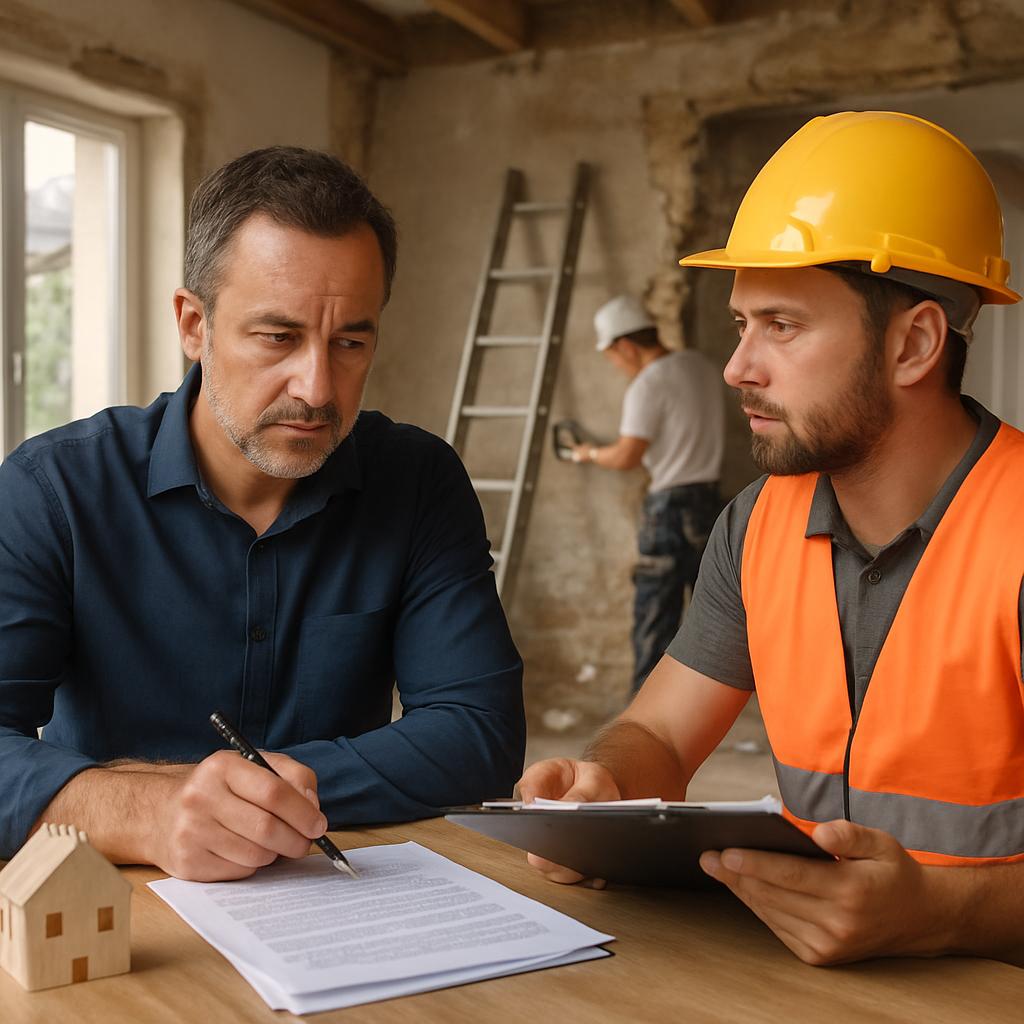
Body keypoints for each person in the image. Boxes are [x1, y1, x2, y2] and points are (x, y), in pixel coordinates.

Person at [520, 110, 1024, 966]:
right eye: (741, 324)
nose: (738, 366)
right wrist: (604, 786)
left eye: (782, 325)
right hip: (808, 988)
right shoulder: (757, 522)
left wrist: (939, 910)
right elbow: (664, 738)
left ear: (915, 343)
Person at [0, 147, 525, 880]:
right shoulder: (52, 489)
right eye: (278, 337)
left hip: (344, 897)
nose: (315, 387)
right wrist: (140, 809)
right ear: (193, 324)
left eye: (350, 342)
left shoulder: (418, 480)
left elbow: (479, 739)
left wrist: (221, 795)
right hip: (124, 905)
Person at [572, 295, 724, 692]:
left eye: (613, 357)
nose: (617, 367)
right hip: (711, 503)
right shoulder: (701, 366)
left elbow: (627, 456)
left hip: (669, 509)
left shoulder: (648, 384)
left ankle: (642, 712)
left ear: (624, 345)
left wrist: (587, 453)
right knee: (715, 614)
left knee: (655, 616)